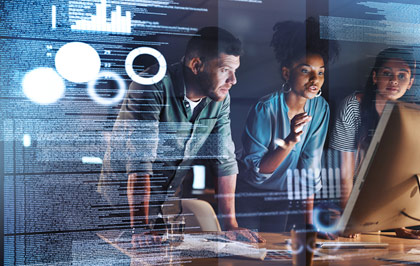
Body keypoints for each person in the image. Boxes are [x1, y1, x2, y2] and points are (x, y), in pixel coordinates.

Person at [99, 26, 262, 248]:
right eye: (225, 70)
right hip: (121, 208)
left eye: (235, 71)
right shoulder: (152, 84)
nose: (233, 80)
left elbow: (225, 160)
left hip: (167, 206)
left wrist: (231, 224)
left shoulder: (221, 98)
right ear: (196, 65)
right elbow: (140, 163)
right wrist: (140, 227)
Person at [236, 18, 339, 233]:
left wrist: (309, 224)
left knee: (274, 257)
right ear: (286, 73)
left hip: (281, 196)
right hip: (249, 193)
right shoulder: (265, 108)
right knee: (248, 257)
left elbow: (311, 166)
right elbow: (258, 171)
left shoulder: (320, 108)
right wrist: (290, 140)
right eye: (305, 71)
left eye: (320, 72)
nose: (315, 79)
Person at [329, 47, 419, 238]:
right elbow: (344, 172)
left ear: (410, 83)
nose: (394, 80)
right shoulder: (353, 106)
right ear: (375, 77)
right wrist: (349, 221)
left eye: (402, 75)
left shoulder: (409, 115)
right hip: (343, 202)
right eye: (387, 74)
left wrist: (398, 224)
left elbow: (396, 174)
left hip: (380, 207)